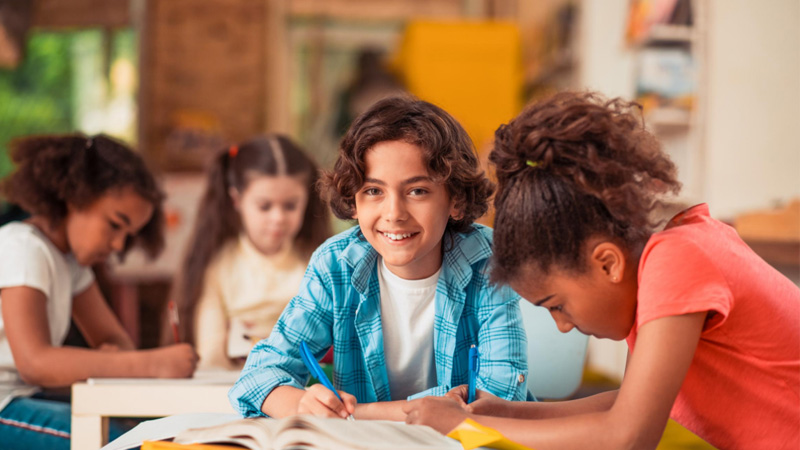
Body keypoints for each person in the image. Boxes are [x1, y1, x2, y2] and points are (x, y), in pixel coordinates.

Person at [403, 91, 800, 449]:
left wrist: (462, 429)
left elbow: (629, 435)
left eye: (556, 305)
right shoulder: (666, 256)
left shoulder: (677, 261)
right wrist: (503, 413)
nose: (561, 325)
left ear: (607, 262)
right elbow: (631, 402)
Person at [230, 96, 528, 421]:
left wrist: (357, 414)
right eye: (374, 191)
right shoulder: (336, 265)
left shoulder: (487, 260)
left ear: (455, 200)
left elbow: (500, 397)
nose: (394, 214)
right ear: (354, 203)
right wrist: (302, 406)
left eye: (417, 191)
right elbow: (257, 376)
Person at [0, 134, 198, 450]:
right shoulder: (23, 247)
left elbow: (115, 342)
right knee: (129, 445)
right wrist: (154, 363)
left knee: (155, 437)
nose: (119, 245)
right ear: (75, 197)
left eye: (128, 234)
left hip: (27, 397)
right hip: (4, 404)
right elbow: (36, 363)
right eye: (115, 224)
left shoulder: (71, 264)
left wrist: (95, 361)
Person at [175, 135, 331, 369]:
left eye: (290, 206)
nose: (277, 218)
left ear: (307, 201)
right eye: (264, 206)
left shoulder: (318, 262)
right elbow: (211, 359)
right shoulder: (218, 267)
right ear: (237, 200)